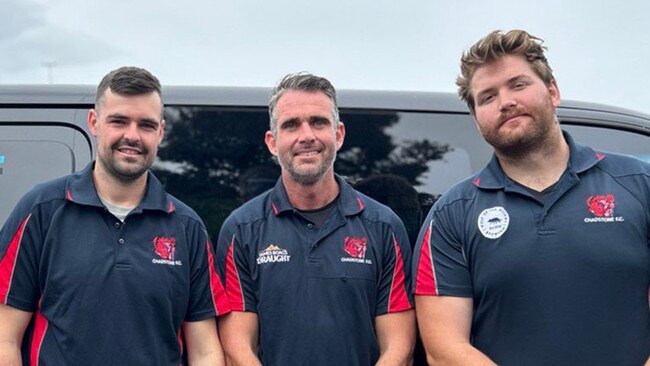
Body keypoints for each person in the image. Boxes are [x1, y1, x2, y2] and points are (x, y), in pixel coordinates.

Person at [412, 29, 650, 365]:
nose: (505, 101)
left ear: (552, 90)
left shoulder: (639, 185)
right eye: (488, 97)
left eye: (518, 84)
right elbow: (444, 350)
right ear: (476, 119)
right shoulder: (451, 214)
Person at [0, 66, 230, 365]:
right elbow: (5, 336)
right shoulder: (41, 211)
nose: (132, 136)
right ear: (94, 122)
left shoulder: (187, 227)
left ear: (160, 132)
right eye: (119, 121)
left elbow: (205, 351)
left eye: (145, 125)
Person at [216, 72, 415, 365]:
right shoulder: (241, 229)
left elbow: (399, 348)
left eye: (318, 122)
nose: (306, 135)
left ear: (338, 134)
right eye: (291, 125)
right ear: (273, 142)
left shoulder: (384, 227)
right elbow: (237, 348)